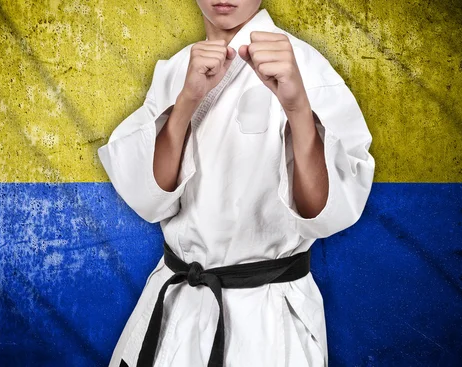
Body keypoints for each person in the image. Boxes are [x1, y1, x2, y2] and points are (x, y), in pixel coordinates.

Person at [97, 1, 375, 366]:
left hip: (266, 317)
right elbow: (148, 199)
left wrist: (297, 110)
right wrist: (187, 101)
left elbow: (328, 214)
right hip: (176, 304)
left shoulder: (306, 68)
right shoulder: (178, 69)